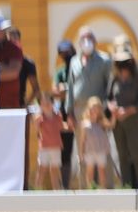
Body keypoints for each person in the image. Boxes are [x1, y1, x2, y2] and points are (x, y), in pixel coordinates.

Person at [107, 48, 138, 188]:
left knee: (136, 154)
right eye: (120, 63)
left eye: (125, 62)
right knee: (122, 154)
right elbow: (107, 98)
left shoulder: (137, 78)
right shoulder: (114, 78)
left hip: (133, 121)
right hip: (118, 123)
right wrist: (112, 108)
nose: (123, 66)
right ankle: (126, 186)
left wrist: (131, 109)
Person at [51, 40, 78, 187]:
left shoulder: (79, 67)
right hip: (64, 114)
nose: (65, 55)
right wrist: (66, 92)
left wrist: (66, 91)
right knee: (65, 151)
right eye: (63, 53)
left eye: (67, 52)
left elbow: (78, 91)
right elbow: (55, 91)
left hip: (79, 111)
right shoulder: (60, 70)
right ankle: (65, 185)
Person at [68, 28, 113, 114]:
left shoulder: (105, 60)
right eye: (83, 38)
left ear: (95, 41)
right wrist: (69, 112)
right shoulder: (74, 61)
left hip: (97, 110)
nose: (86, 41)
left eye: (89, 38)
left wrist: (106, 106)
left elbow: (110, 85)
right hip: (79, 110)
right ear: (79, 43)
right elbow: (71, 86)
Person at [79, 96, 113, 189]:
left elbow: (111, 125)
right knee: (89, 171)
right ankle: (90, 189)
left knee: (102, 171)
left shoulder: (102, 122)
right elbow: (82, 140)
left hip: (100, 150)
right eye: (92, 108)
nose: (94, 110)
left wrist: (114, 114)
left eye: (96, 108)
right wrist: (81, 153)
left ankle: (103, 189)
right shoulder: (85, 124)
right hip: (89, 151)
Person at [35, 94, 65, 190]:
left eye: (48, 102)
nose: (46, 105)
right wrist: (36, 122)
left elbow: (61, 127)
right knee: (41, 169)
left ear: (53, 103)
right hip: (44, 147)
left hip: (56, 146)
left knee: (54, 171)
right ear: (40, 105)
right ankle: (36, 191)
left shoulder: (58, 116)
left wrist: (68, 125)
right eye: (44, 103)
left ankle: (56, 192)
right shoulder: (39, 117)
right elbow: (36, 130)